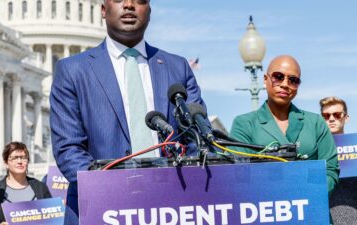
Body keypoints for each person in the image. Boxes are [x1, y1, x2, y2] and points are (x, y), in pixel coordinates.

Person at [49, 0, 207, 224]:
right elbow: (68, 148)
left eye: (139, 0)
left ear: (149, 11)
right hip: (101, 209)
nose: (130, 5)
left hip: (173, 207)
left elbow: (196, 138)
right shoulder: (72, 71)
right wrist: (119, 194)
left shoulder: (177, 67)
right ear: (103, 10)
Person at [230, 55, 339, 194]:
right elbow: (239, 176)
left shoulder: (315, 123)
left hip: (312, 209)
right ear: (266, 79)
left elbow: (330, 172)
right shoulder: (244, 125)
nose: (285, 84)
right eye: (278, 76)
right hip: (266, 210)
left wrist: (306, 195)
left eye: (293, 80)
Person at [0, 142, 52, 225]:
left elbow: (52, 218)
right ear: (6, 163)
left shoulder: (41, 187)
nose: (19, 161)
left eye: (23, 157)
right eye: (15, 158)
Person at [320, 97, 356, 225]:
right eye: (325, 115)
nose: (331, 119)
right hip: (325, 217)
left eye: (336, 114)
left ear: (346, 118)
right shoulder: (313, 152)